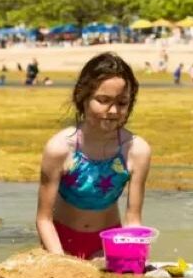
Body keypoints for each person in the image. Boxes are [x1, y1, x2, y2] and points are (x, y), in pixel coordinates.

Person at [35, 53, 151, 260]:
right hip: (61, 242)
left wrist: (136, 260)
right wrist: (60, 262)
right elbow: (44, 219)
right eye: (103, 100)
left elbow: (133, 220)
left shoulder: (136, 150)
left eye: (122, 102)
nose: (113, 110)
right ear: (83, 97)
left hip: (108, 244)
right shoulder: (60, 149)